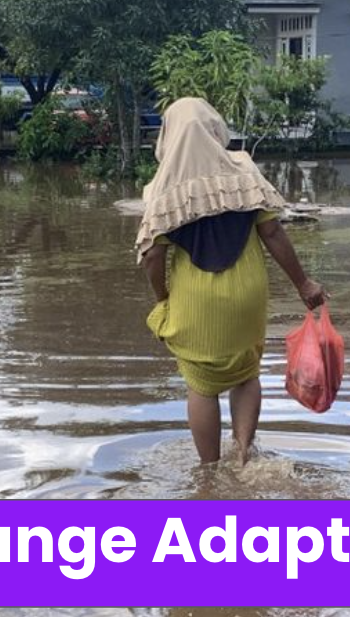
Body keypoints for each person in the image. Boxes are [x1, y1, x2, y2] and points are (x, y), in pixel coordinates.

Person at [136, 98, 326, 465]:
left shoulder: (163, 189)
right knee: (246, 375)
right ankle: (241, 455)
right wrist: (303, 284)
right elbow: (272, 233)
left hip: (195, 301)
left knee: (201, 386)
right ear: (215, 129)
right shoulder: (244, 170)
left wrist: (164, 299)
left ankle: (209, 472)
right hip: (247, 297)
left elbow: (153, 257)